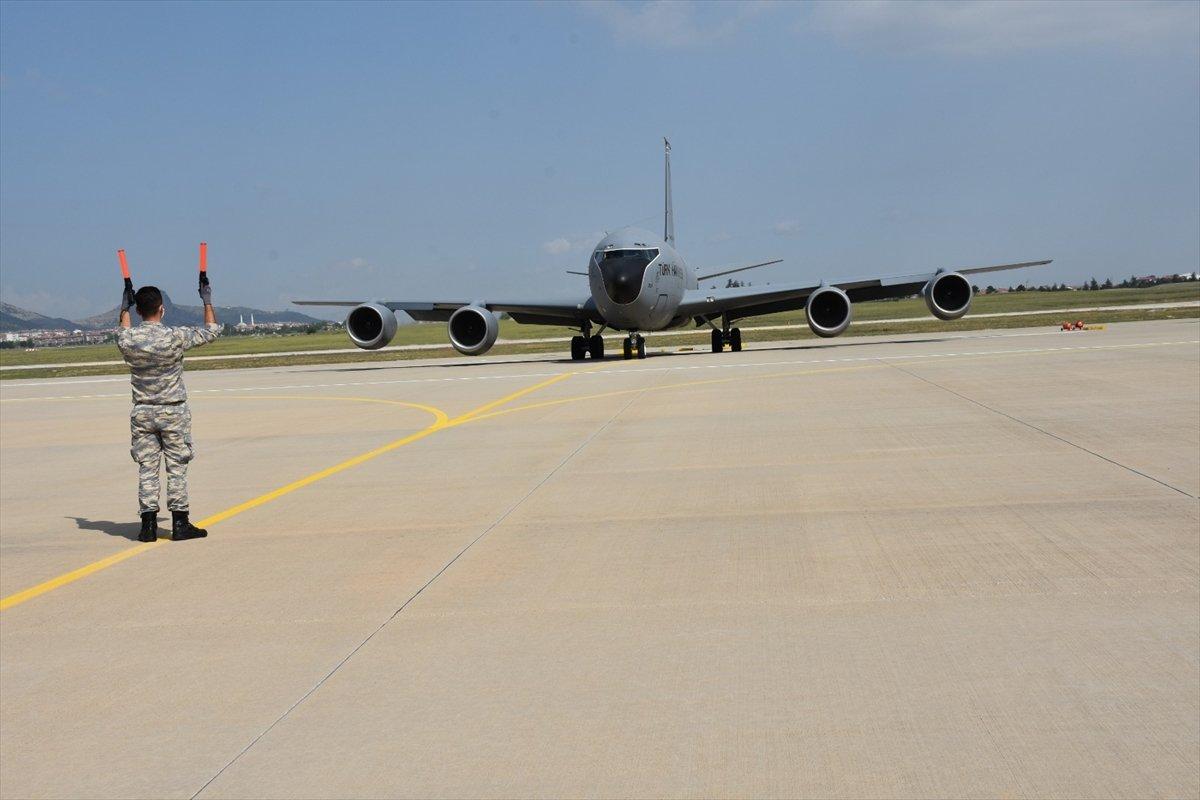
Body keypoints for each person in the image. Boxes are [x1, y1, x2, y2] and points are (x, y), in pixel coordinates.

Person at [116, 268, 220, 542]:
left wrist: (123, 306)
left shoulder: (128, 339)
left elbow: (123, 329)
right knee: (177, 466)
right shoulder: (174, 336)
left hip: (142, 412)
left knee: (147, 468)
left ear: (139, 311)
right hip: (172, 411)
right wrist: (206, 299)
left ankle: (148, 526)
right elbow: (211, 332)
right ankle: (179, 523)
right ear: (161, 310)